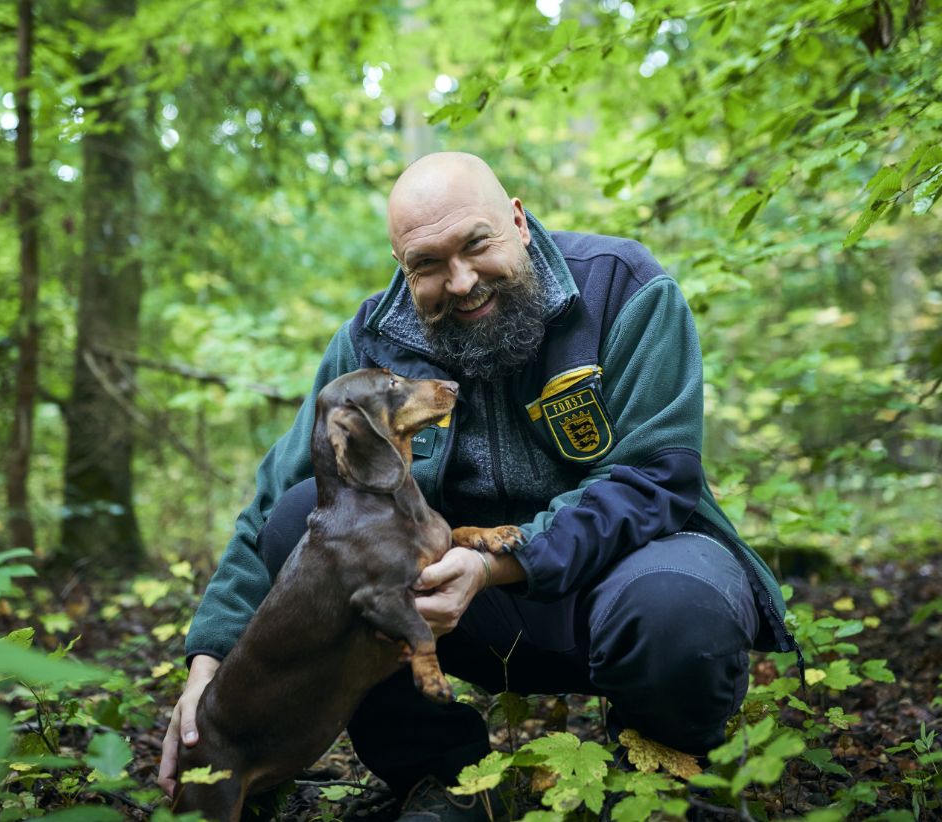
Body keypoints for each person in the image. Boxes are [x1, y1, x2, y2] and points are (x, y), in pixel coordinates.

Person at [159, 152, 797, 820]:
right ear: (404, 267)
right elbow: (271, 503)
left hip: (620, 585)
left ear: (517, 220)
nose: (460, 281)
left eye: (476, 243)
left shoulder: (622, 288)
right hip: (456, 614)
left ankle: (664, 777)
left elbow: (652, 479)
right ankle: (442, 781)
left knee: (678, 603)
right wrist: (209, 659)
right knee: (302, 521)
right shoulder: (373, 342)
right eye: (427, 264)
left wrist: (497, 562)